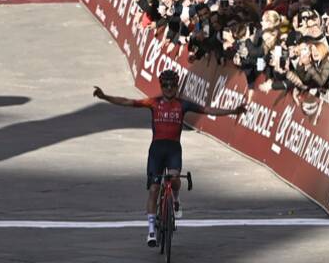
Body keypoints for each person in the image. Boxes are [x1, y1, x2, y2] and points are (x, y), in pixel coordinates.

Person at [93, 70, 246, 247]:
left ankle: (175, 198)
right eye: (165, 85)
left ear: (177, 86)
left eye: (172, 85)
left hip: (173, 150)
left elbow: (208, 110)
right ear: (161, 86)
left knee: (174, 179)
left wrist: (233, 111)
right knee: (153, 190)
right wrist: (105, 97)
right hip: (156, 151)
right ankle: (151, 231)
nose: (169, 88)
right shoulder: (153, 103)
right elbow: (128, 102)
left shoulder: (183, 105)